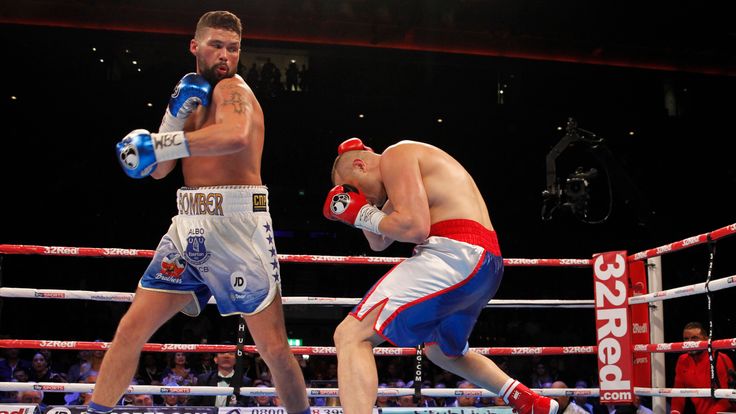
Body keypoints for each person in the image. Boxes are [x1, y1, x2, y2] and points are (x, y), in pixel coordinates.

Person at [92, 10, 309, 414]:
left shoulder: (233, 89)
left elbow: (234, 135)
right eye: (216, 45)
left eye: (233, 48)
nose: (225, 55)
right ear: (195, 46)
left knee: (275, 349)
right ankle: (96, 411)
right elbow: (159, 173)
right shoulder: (190, 96)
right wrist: (172, 118)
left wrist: (159, 145)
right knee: (130, 330)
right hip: (187, 226)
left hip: (237, 226)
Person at [323, 138, 558, 414]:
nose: (367, 199)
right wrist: (360, 213)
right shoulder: (408, 174)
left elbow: (414, 228)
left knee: (351, 334)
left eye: (357, 189)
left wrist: (363, 211)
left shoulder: (396, 155)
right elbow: (379, 241)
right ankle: (528, 401)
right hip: (484, 264)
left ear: (361, 165)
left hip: (455, 253)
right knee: (442, 350)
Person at [670, 321, 734, 414]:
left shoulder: (720, 359)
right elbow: (678, 393)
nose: (690, 343)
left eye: (694, 338)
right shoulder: (682, 360)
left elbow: (727, 398)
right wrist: (675, 412)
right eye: (686, 339)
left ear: (706, 339)